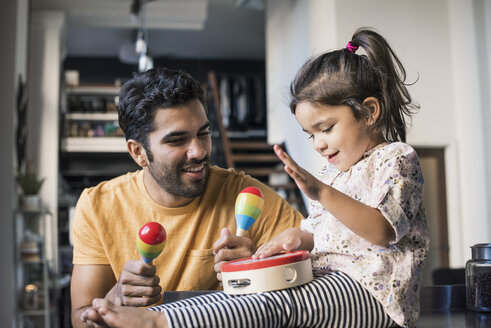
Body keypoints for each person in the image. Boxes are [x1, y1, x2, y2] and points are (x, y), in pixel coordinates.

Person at [85, 27, 430, 328]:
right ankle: (164, 311)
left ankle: (159, 322)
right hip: (336, 284)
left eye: (325, 129)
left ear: (370, 111)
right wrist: (296, 237)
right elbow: (324, 231)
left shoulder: (396, 159)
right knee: (255, 297)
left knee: (275, 303)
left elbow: (384, 230)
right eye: (313, 135)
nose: (320, 143)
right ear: (137, 152)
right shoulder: (338, 174)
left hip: (374, 295)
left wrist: (321, 193)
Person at [71, 67, 304, 327]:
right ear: (138, 153)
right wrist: (115, 298)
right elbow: (80, 319)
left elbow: (319, 265)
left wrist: (255, 269)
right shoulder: (97, 206)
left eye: (203, 133)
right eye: (177, 140)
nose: (198, 151)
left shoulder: (246, 195)